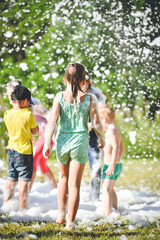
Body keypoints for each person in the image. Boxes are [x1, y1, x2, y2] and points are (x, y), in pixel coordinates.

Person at [43, 63, 105, 230]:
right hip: (80, 142)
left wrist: (47, 143)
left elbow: (52, 123)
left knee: (63, 179)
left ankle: (60, 214)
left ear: (65, 80)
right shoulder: (91, 98)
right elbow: (97, 124)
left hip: (62, 142)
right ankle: (70, 222)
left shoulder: (59, 97)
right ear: (85, 80)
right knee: (74, 185)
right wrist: (102, 140)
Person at [6, 79, 57, 189]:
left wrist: (53, 136)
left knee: (33, 159)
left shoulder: (30, 103)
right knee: (42, 164)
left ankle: (28, 189)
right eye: (8, 94)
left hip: (46, 132)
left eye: (11, 94)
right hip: (39, 132)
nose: (10, 97)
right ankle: (55, 189)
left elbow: (49, 116)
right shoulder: (18, 102)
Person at [3, 86, 39, 210]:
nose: (29, 103)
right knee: (23, 181)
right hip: (24, 152)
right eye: (28, 101)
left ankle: (6, 205)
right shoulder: (27, 114)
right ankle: (23, 209)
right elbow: (35, 131)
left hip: (10, 151)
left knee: (11, 179)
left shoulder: (7, 114)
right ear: (23, 101)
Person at [84, 72, 106, 201]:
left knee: (96, 164)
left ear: (89, 81)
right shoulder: (75, 91)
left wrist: (92, 125)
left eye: (85, 81)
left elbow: (101, 112)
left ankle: (95, 197)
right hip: (79, 132)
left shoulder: (96, 94)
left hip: (93, 133)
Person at [99, 105, 125, 216]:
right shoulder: (115, 129)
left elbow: (116, 147)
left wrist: (112, 164)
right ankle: (115, 209)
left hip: (111, 165)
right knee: (110, 188)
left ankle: (108, 213)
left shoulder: (111, 131)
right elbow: (122, 147)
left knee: (105, 189)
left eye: (100, 119)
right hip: (116, 164)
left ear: (104, 118)